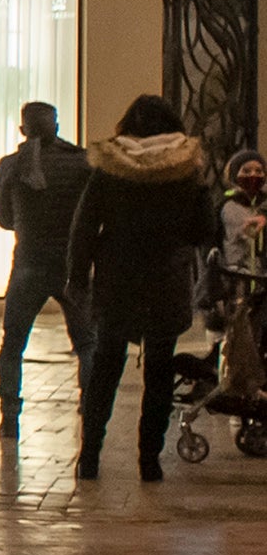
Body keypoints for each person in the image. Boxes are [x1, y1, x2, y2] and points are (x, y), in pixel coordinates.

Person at [66, 95, 219, 483]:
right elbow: (204, 231)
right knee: (159, 372)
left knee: (106, 366)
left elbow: (84, 226)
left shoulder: (109, 169)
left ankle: (90, 456)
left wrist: (78, 275)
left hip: (117, 279)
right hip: (165, 279)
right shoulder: (185, 170)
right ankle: (149, 460)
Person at [0, 100, 92, 438]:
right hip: (70, 263)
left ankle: (9, 415)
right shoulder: (82, 163)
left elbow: (4, 218)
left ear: (23, 129)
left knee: (13, 342)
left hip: (29, 263)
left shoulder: (11, 166)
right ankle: (90, 405)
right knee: (86, 342)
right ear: (58, 126)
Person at [217, 153, 267, 413]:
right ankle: (243, 387)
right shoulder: (228, 207)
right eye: (246, 170)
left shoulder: (264, 206)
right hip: (238, 281)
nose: (253, 176)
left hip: (261, 281)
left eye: (258, 170)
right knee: (241, 337)